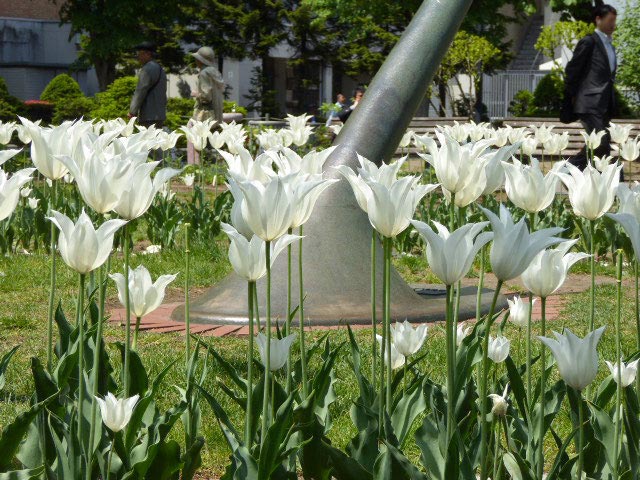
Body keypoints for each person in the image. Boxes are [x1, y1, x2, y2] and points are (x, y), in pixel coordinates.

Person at [562, 4, 618, 171]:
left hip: (604, 104)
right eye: (610, 20)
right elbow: (572, 69)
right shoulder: (589, 41)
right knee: (601, 141)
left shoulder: (610, 45)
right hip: (588, 102)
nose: (613, 24)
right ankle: (572, 168)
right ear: (598, 19)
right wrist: (572, 97)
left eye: (614, 21)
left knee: (601, 142)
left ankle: (573, 169)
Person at [187, 46, 225, 164]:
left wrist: (195, 94)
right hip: (216, 112)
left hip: (206, 113)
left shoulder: (204, 74)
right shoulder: (214, 72)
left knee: (202, 142)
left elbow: (206, 96)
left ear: (201, 60)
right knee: (212, 140)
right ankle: (212, 167)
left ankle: (203, 168)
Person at [129, 41, 167, 128]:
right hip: (159, 113)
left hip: (149, 114)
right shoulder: (159, 68)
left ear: (148, 54)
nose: (138, 56)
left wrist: (132, 110)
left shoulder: (147, 68)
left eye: (140, 53)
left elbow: (140, 90)